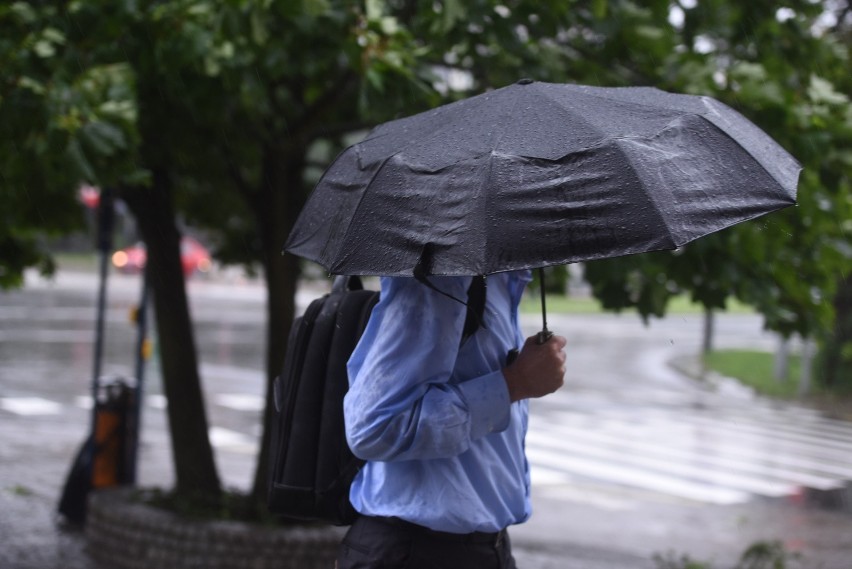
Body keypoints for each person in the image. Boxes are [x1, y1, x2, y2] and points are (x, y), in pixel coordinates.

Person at [336, 270, 567, 569]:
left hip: (480, 548)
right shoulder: (441, 282)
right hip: (418, 551)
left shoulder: (497, 280)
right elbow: (371, 428)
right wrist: (515, 383)